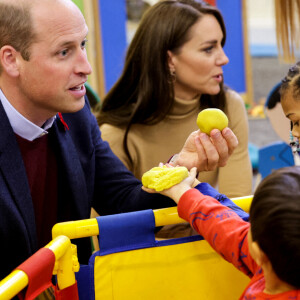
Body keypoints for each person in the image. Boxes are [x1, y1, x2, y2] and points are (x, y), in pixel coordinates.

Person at [0, 0, 239, 281]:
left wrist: (179, 167)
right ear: (11, 60)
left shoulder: (77, 116)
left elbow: (123, 202)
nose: (86, 67)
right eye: (64, 52)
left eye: (83, 45)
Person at [96, 0, 252, 200]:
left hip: (215, 229)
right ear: (169, 60)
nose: (224, 59)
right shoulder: (115, 133)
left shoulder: (228, 106)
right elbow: (109, 227)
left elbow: (238, 206)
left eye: (221, 45)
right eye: (208, 49)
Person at [143, 165, 300, 298]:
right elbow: (223, 226)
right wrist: (187, 190)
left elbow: (229, 231)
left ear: (259, 253)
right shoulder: (275, 260)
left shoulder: (263, 265)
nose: (246, 223)